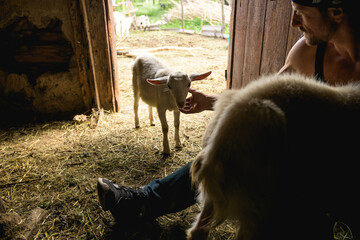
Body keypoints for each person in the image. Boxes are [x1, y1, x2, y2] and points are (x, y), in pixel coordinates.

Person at [97, 0, 360, 227]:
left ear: (336, 13)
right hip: (302, 168)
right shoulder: (307, 52)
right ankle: (145, 202)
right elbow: (255, 102)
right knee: (225, 154)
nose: (293, 22)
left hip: (343, 179)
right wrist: (211, 101)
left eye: (301, 13)